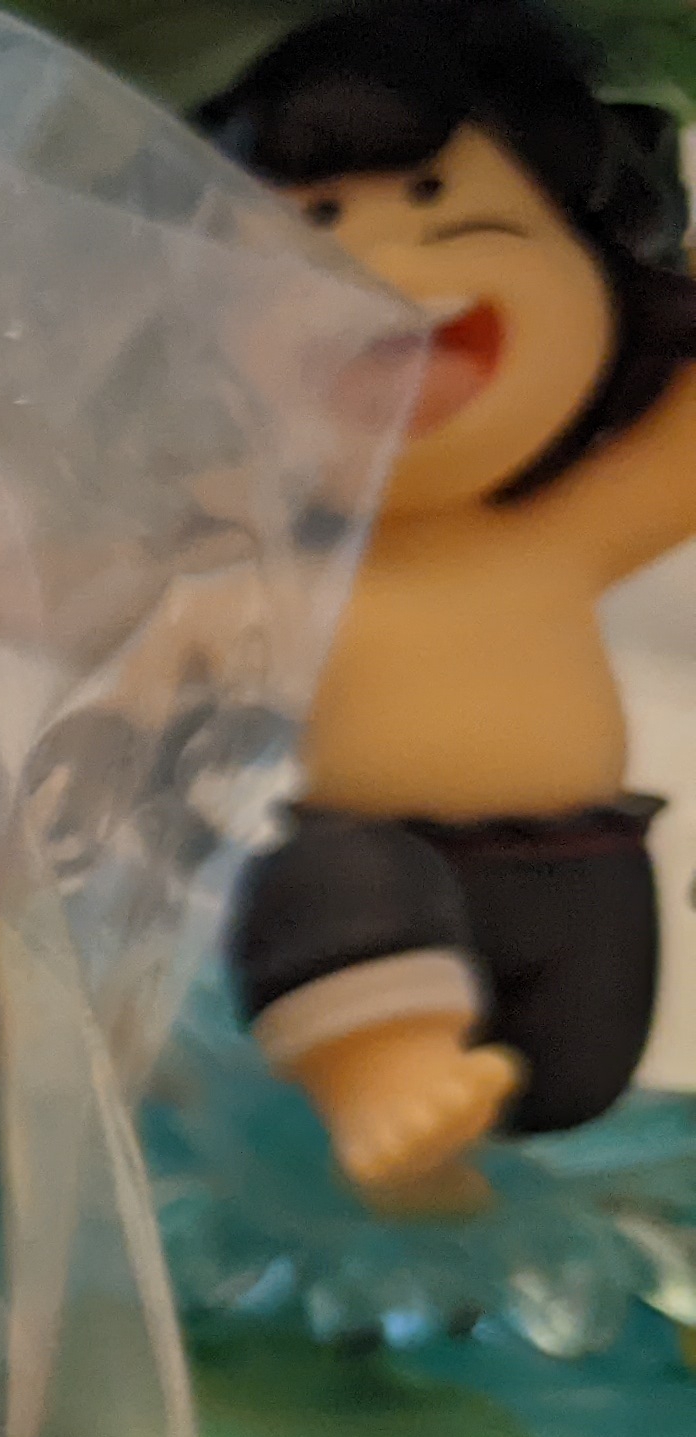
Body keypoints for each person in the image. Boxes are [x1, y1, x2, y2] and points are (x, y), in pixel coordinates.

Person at [205, 0, 696, 1203]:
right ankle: (378, 1076)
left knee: (570, 1087)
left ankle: (457, 1164)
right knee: (327, 881)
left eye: (436, 200)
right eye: (318, 225)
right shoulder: (270, 563)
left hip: (584, 867)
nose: (387, 274)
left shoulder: (562, 534)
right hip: (365, 881)